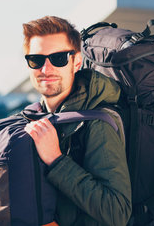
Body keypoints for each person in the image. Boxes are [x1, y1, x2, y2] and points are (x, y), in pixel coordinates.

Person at [23, 16, 132, 226]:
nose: (46, 69)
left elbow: (117, 211)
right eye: (36, 60)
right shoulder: (31, 118)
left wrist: (56, 160)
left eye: (58, 58)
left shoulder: (97, 123)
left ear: (76, 62)